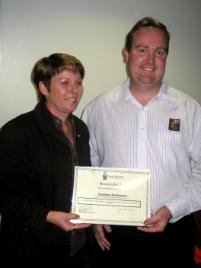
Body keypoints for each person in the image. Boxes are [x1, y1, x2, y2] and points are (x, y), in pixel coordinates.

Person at [82, 17, 201, 267]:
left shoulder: (190, 109)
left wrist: (171, 209)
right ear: (126, 54)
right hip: (114, 235)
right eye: (142, 50)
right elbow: (88, 169)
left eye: (160, 52)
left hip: (174, 231)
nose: (150, 60)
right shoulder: (97, 110)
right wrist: (95, 214)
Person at [0, 53, 92, 267]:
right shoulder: (16, 132)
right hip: (31, 250)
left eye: (78, 83)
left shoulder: (82, 129)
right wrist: (49, 216)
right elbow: (5, 197)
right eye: (64, 82)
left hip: (76, 247)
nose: (74, 90)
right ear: (43, 87)